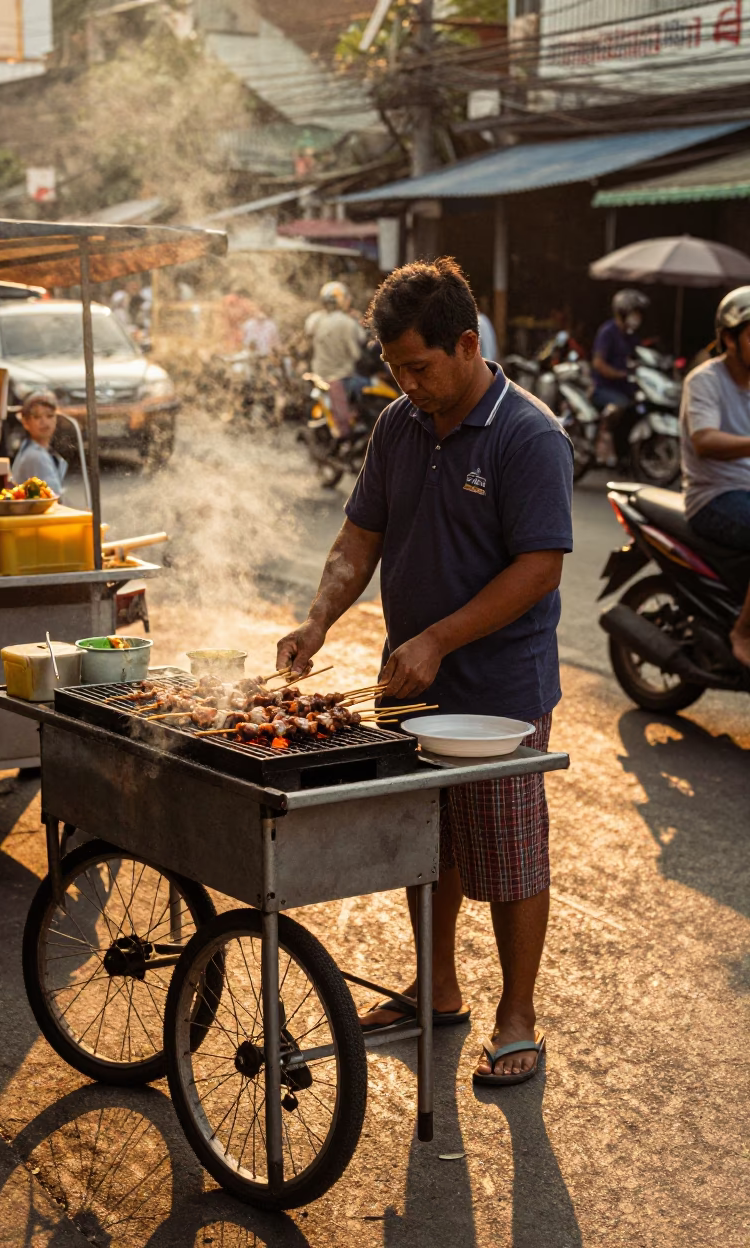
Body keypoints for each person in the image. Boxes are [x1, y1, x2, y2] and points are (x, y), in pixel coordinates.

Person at [277, 258, 574, 1085]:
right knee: (422, 841)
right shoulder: (397, 426)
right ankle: (434, 987)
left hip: (498, 694)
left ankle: (518, 1014)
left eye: (420, 366)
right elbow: (358, 539)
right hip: (410, 681)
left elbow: (540, 567)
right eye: (395, 368)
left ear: (468, 343)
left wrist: (441, 638)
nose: (408, 384)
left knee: (511, 855)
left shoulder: (529, 434)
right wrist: (318, 618)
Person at [680, 286, 750, 667]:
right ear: (729, 337)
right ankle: (743, 631)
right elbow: (704, 440)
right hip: (714, 497)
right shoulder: (705, 380)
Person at [591, 289, 650, 464]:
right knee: (622, 407)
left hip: (626, 389)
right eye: (635, 313)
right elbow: (598, 363)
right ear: (623, 312)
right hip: (604, 388)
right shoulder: (608, 332)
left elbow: (640, 357)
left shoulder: (631, 337)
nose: (637, 318)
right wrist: (620, 374)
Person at [305, 282, 367, 438]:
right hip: (341, 376)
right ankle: (357, 424)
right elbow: (358, 352)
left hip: (320, 373)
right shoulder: (347, 323)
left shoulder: (315, 319)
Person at [11, 391, 68, 498]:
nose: (44, 421)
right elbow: (53, 497)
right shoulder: (36, 456)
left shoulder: (32, 449)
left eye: (50, 416)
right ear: (25, 422)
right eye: (37, 417)